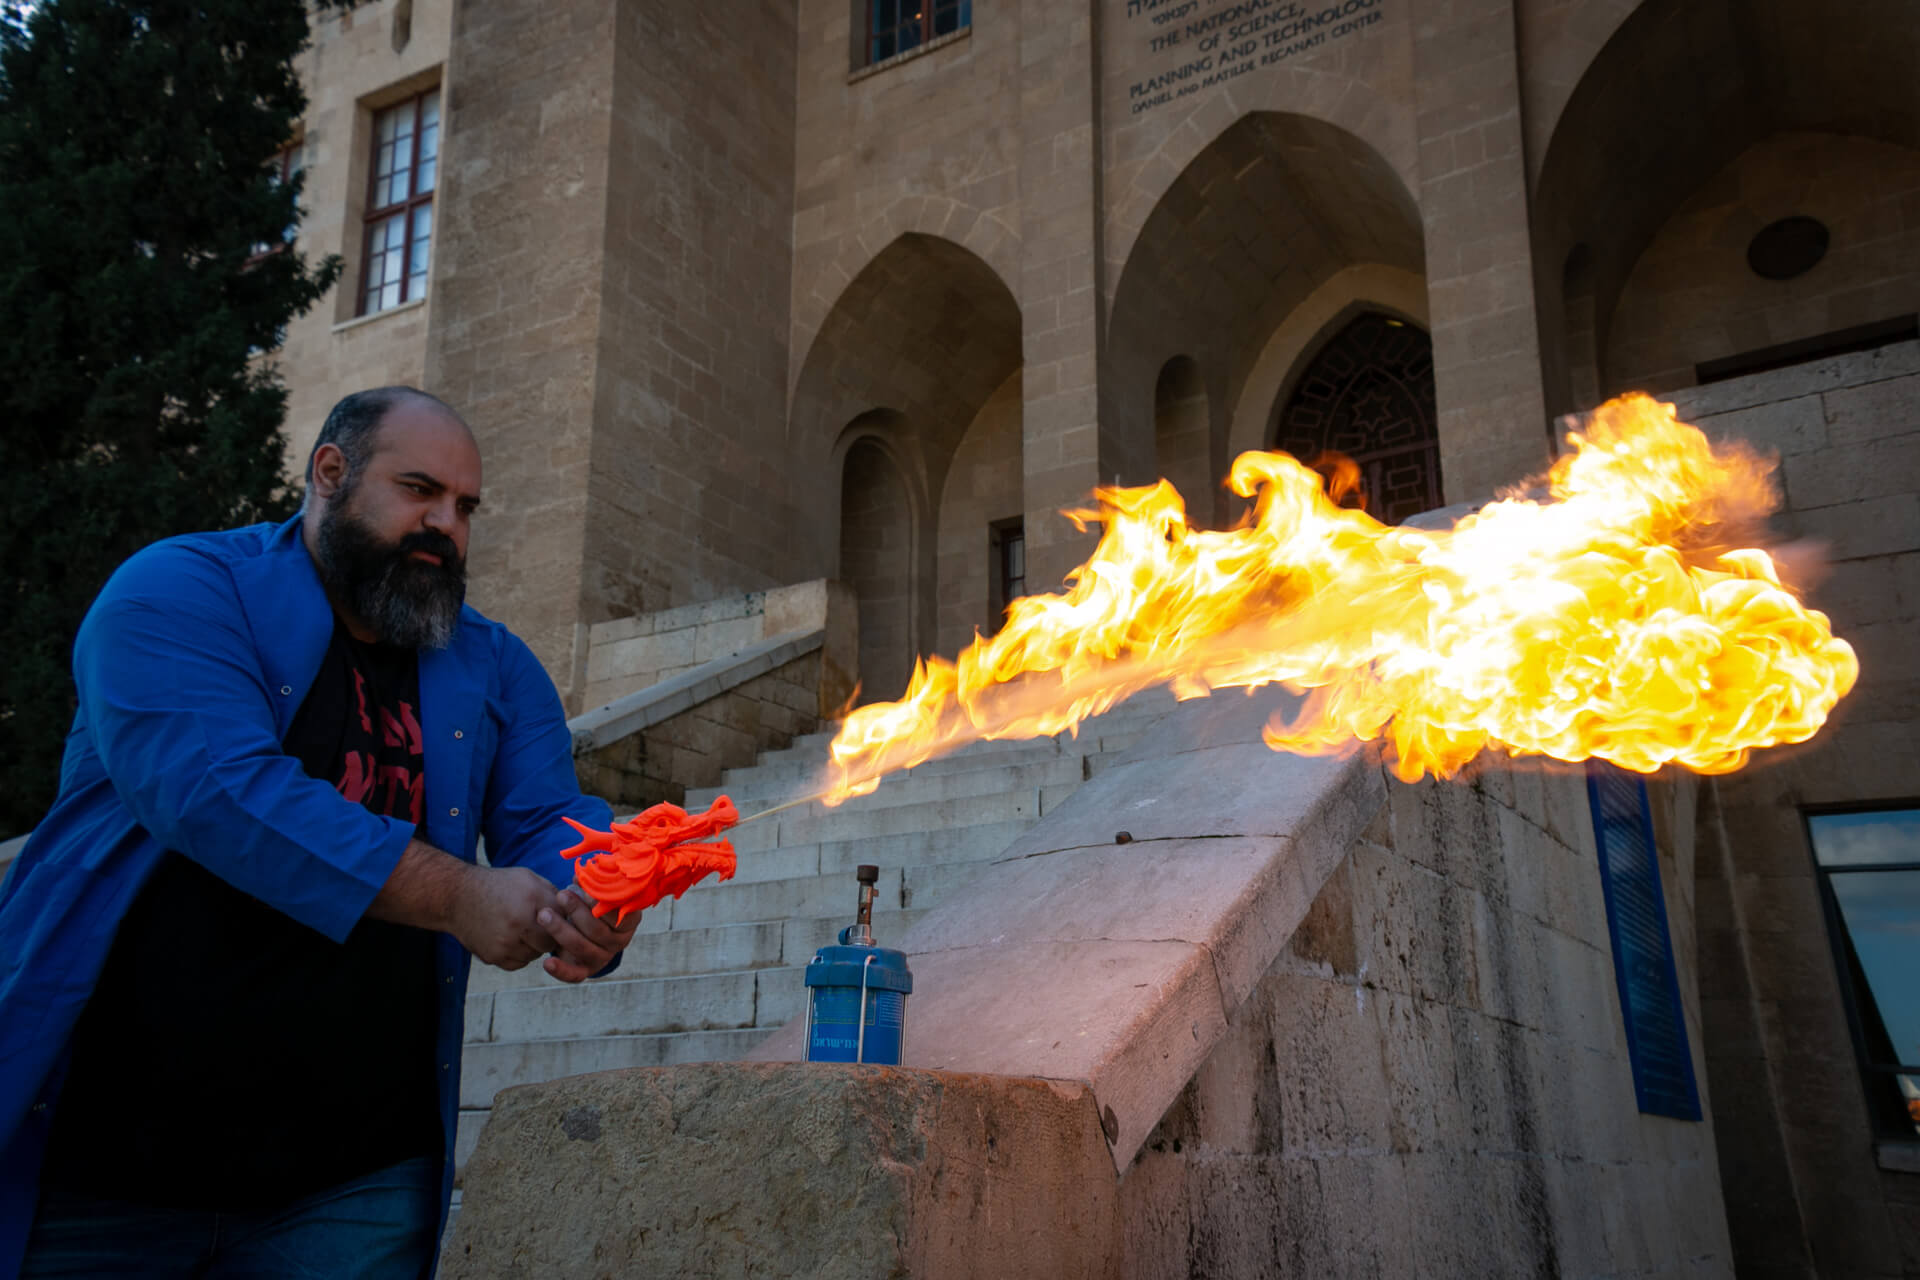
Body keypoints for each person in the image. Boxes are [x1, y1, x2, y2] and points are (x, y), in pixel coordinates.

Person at [0, 387, 639, 1278]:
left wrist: (599, 890)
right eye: (419, 490)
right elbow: (217, 793)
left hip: (357, 1183)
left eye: (464, 507)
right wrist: (461, 893)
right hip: (105, 1176)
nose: (445, 526)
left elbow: (546, 819)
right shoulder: (174, 591)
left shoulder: (495, 661)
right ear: (329, 473)